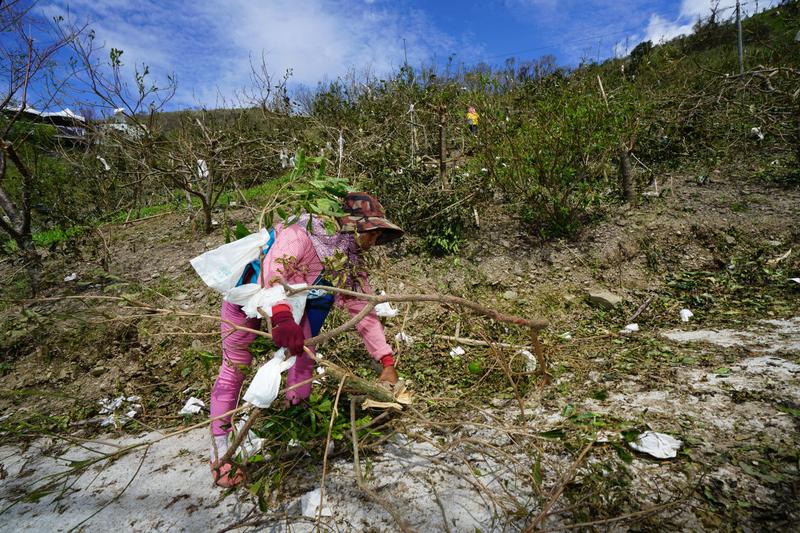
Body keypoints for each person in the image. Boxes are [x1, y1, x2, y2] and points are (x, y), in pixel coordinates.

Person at [209, 192, 403, 487]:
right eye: (373, 232)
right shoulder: (299, 234)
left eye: (377, 233)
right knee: (235, 367)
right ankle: (222, 452)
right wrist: (282, 317)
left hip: (293, 306)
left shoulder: (346, 260)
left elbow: (363, 309)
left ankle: (294, 428)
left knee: (304, 358)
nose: (375, 240)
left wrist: (386, 360)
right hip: (246, 297)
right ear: (354, 225)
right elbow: (272, 275)